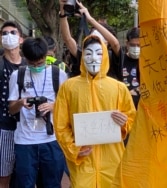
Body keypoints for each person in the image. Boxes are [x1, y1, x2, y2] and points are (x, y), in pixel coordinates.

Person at [53, 35, 136, 187]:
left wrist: (124, 123)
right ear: (82, 55)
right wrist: (74, 149)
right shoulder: (69, 87)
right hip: (83, 161)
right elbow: (60, 125)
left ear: (105, 56)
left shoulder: (119, 88)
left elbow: (132, 119)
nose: (93, 58)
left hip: (112, 160)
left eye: (99, 53)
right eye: (88, 53)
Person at [8, 37, 68, 187]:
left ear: (46, 56)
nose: (36, 67)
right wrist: (21, 103)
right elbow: (11, 108)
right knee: (24, 184)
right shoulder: (18, 75)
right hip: (25, 141)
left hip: (51, 139)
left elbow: (69, 105)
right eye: (31, 64)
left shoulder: (58, 75)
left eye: (40, 63)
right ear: (26, 59)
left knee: (52, 183)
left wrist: (53, 106)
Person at [58, 0, 123, 78]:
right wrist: (63, 12)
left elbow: (115, 44)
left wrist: (90, 19)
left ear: (107, 43)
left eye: (99, 39)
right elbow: (67, 39)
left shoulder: (112, 57)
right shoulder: (84, 56)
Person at [0, 20, 26, 188]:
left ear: (21, 39)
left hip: (27, 129)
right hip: (5, 128)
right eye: (4, 33)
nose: (8, 36)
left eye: (13, 33)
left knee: (25, 174)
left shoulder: (29, 65)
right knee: (4, 175)